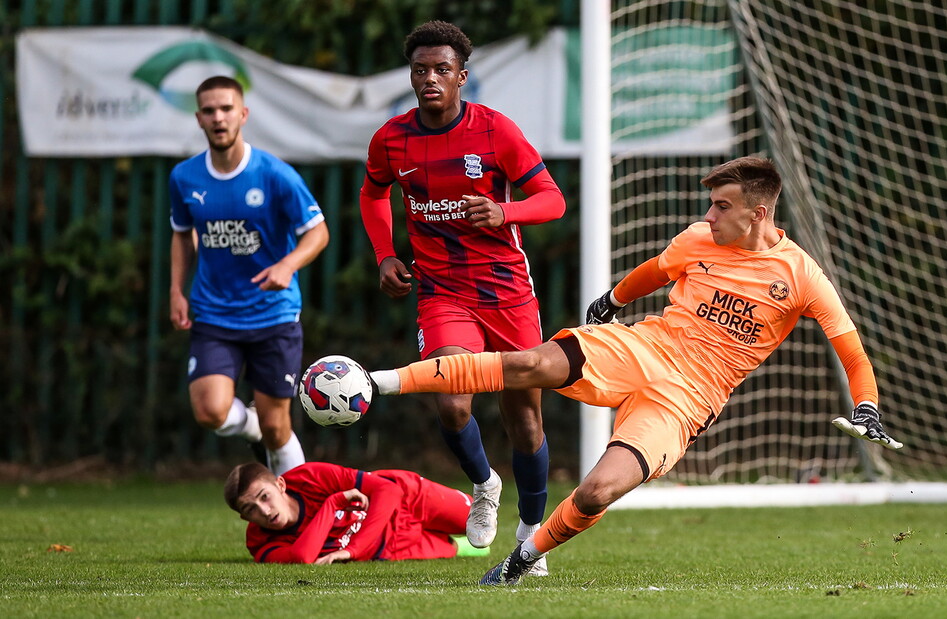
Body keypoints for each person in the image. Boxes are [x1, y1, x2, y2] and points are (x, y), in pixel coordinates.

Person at [361, 157, 902, 585]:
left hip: (689, 399)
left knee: (597, 492)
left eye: (720, 206)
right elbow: (655, 270)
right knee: (530, 363)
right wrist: (613, 299)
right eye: (709, 206)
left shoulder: (803, 276)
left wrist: (867, 404)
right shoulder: (698, 239)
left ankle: (522, 560)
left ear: (758, 214)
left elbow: (851, 352)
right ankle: (375, 383)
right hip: (644, 347)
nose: (709, 216)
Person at [358, 20, 566, 572]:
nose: (430, 78)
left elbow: (552, 200)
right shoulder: (392, 138)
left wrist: (506, 211)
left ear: (462, 77)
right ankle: (484, 484)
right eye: (420, 69)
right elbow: (373, 192)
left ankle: (531, 535)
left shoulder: (496, 131)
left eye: (442, 70)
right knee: (451, 401)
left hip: (507, 292)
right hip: (443, 291)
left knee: (524, 421)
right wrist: (384, 252)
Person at [169, 76, 329, 475]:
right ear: (199, 119)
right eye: (209, 110)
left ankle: (297, 511)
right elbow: (182, 235)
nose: (218, 118)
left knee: (278, 428)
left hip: (272, 314)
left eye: (226, 109)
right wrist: (176, 290)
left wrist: (287, 265)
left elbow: (318, 232)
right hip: (214, 313)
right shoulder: (185, 178)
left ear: (243, 114)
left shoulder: (275, 175)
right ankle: (251, 424)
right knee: (210, 411)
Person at [224, 461, 490, 564]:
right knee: (460, 548)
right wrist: (333, 503)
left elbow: (389, 492)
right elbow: (301, 557)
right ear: (245, 518)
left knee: (484, 523)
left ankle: (466, 535)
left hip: (410, 499)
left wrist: (353, 550)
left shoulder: (310, 476)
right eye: (251, 510)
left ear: (280, 485)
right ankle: (461, 545)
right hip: (389, 546)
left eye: (264, 497)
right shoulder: (259, 543)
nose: (264, 511)